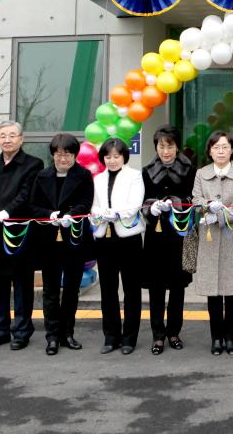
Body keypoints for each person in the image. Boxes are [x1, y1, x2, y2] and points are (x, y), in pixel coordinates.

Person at [0, 120, 43, 351]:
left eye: (12, 135)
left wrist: (7, 212)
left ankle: (22, 330)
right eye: (3, 135)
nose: (7, 139)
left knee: (23, 284)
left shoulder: (33, 164)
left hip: (20, 233)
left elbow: (26, 195)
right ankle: (0, 330)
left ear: (21, 139)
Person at [28, 133, 93, 355]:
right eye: (58, 153)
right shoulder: (42, 176)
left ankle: (68, 333)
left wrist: (71, 214)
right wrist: (49, 214)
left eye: (67, 153)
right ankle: (52, 336)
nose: (62, 158)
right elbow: (33, 205)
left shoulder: (84, 176)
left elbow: (86, 202)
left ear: (75, 155)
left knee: (72, 289)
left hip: (74, 238)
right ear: (53, 154)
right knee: (50, 290)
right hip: (48, 239)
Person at [190, 130, 233, 355]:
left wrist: (220, 215)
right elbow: (195, 200)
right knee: (213, 292)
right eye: (216, 147)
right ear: (209, 150)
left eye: (225, 147)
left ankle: (231, 338)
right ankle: (216, 338)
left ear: (232, 150)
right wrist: (207, 204)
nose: (220, 151)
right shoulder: (201, 174)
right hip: (209, 238)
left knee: (232, 290)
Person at [142, 125, 194, 355]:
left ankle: (174, 332)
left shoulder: (189, 170)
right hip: (155, 235)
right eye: (161, 146)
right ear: (156, 147)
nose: (166, 151)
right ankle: (157, 335)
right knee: (156, 287)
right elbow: (141, 201)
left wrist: (178, 202)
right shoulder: (146, 171)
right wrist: (151, 207)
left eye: (170, 146)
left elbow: (194, 198)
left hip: (180, 234)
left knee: (177, 287)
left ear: (177, 146)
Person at [90, 137, 145, 354]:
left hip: (128, 237)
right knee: (108, 289)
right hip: (105, 237)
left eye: (116, 156)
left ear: (124, 156)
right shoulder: (98, 178)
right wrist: (100, 214)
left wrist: (117, 213)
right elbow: (94, 206)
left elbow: (135, 204)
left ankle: (129, 338)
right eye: (108, 156)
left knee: (131, 289)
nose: (112, 160)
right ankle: (111, 336)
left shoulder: (134, 175)